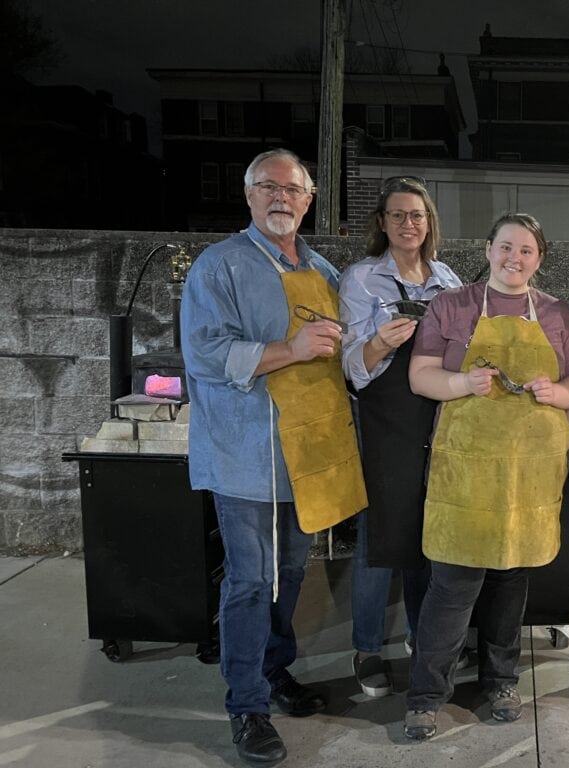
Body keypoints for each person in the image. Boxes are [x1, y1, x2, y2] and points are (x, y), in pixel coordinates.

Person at [181, 149, 367, 763]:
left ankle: (273, 670)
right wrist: (289, 348)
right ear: (249, 195)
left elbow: (341, 359)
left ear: (309, 200)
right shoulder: (220, 266)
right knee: (250, 581)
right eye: (268, 187)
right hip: (246, 455)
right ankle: (247, 706)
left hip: (306, 454)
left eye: (293, 189)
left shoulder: (324, 270)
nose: (281, 197)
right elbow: (206, 354)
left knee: (290, 574)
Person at [403, 213, 569, 740]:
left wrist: (561, 394)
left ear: (539, 259)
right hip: (466, 471)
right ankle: (425, 695)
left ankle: (501, 681)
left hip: (528, 473)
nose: (515, 258)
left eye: (527, 250)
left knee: (511, 580)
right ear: (487, 250)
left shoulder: (556, 314)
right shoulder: (452, 305)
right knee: (453, 585)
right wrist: (463, 381)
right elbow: (421, 377)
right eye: (506, 247)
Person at [339, 177, 461, 697]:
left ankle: (418, 634)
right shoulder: (361, 278)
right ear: (382, 223)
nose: (408, 224)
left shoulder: (449, 279)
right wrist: (378, 344)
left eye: (417, 215)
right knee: (379, 532)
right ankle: (367, 647)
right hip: (386, 417)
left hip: (436, 415)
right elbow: (350, 366)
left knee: (425, 530)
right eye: (397, 215)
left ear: (429, 221)